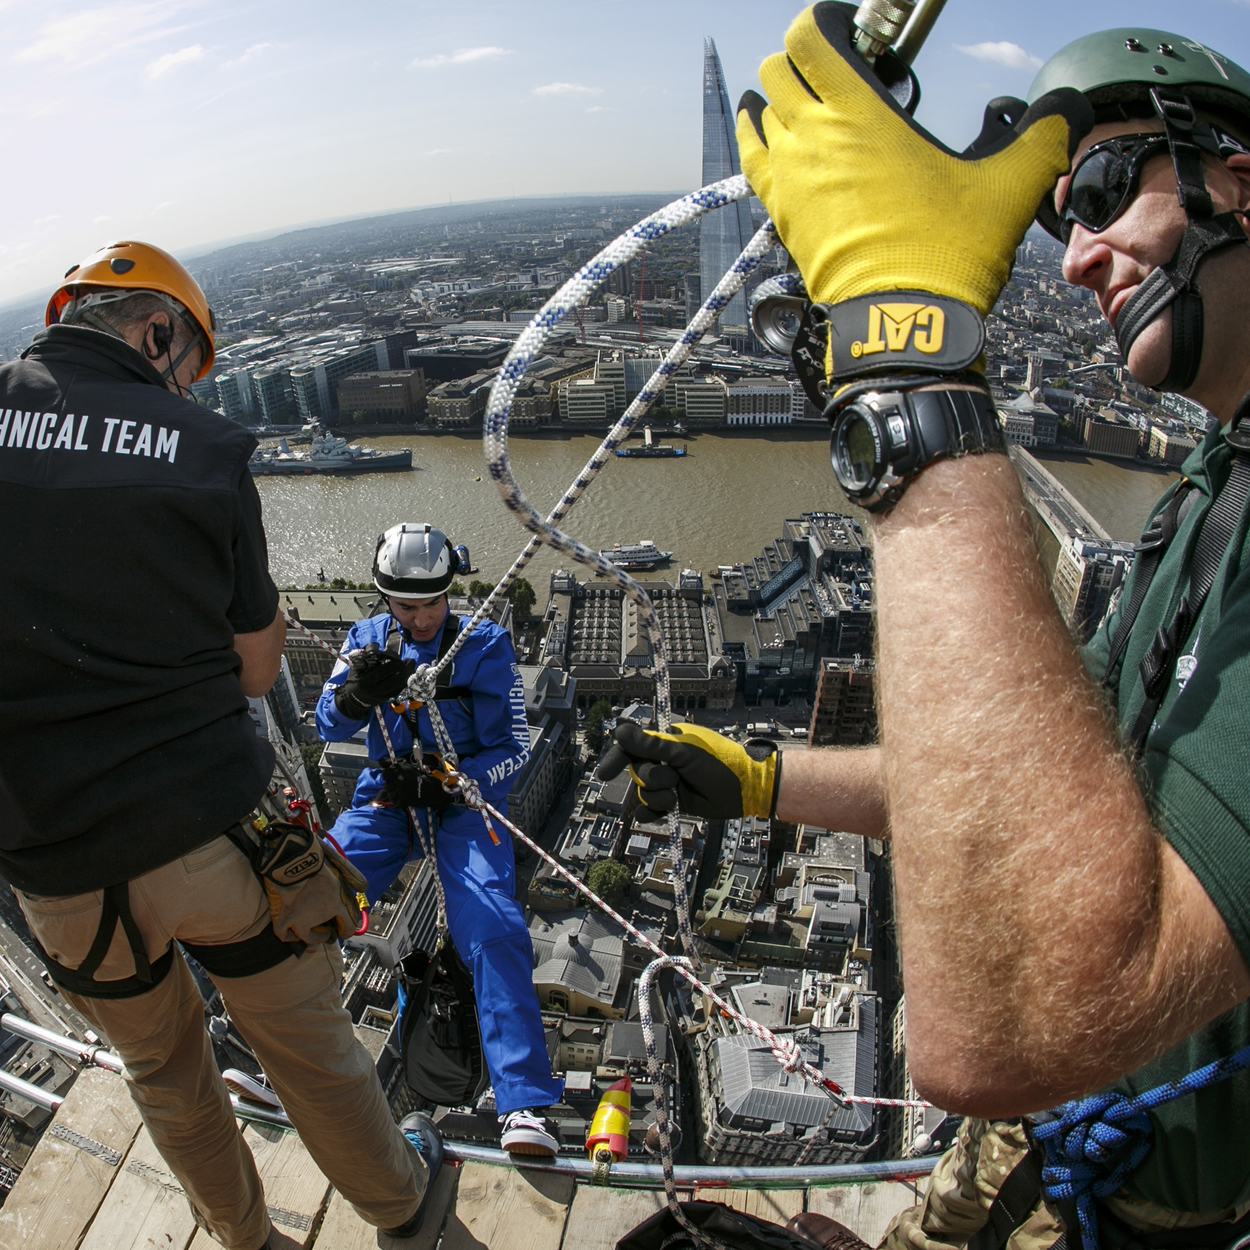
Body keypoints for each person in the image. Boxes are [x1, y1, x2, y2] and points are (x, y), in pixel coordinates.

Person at [600, 11, 1250, 1246]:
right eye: (1064, 220)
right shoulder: (1209, 493)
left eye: (1107, 187)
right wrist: (758, 777)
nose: (1074, 258)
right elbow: (1008, 808)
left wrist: (908, 381)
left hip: (1148, 1191)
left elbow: (1007, 1018)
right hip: (1054, 1134)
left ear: (1237, 179)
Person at [0, 241, 442, 1250]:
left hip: (52, 857)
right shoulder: (200, 444)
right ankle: (403, 1209)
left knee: (163, 1069)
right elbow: (253, 669)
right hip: (207, 825)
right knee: (304, 1041)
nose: (187, 379)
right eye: (187, 358)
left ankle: (243, 1238)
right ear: (159, 329)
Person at [317, 522, 565, 1156]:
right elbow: (325, 721)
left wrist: (457, 778)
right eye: (406, 605)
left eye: (432, 602)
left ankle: (524, 1103)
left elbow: (514, 746)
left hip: (463, 799)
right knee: (314, 892)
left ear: (451, 591)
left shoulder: (484, 646)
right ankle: (289, 1064)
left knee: (494, 925)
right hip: (390, 792)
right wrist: (353, 694)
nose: (422, 617)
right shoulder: (367, 642)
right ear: (386, 601)